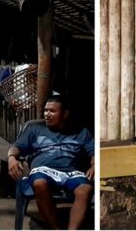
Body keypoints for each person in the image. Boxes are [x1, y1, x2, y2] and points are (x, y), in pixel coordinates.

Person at [7, 95, 94, 230]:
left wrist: (95, 165)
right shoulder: (34, 129)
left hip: (71, 171)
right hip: (43, 170)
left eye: (52, 111)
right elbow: (16, 147)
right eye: (46, 110)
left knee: (85, 189)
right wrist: (11, 158)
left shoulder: (81, 132)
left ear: (65, 114)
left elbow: (93, 152)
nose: (47, 114)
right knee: (39, 183)